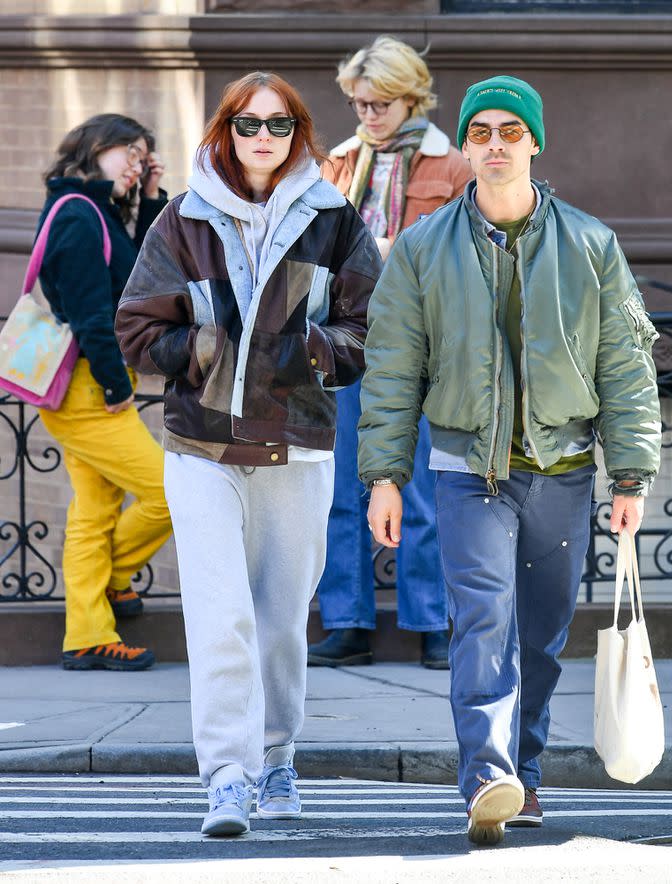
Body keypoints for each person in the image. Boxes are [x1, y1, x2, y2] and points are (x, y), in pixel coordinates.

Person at [358, 75, 662, 845]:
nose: (495, 144)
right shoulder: (423, 248)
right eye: (481, 131)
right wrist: (386, 476)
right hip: (467, 471)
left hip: (561, 469)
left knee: (541, 635)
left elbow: (624, 363)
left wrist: (630, 473)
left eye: (510, 132)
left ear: (534, 143)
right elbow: (393, 369)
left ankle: (524, 774)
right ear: (464, 144)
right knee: (483, 620)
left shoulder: (590, 243)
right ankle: (487, 776)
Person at [115, 71, 381, 837]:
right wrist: (204, 344)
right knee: (220, 616)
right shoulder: (181, 221)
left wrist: (309, 354)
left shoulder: (335, 222)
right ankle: (226, 776)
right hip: (203, 447)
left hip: (297, 450)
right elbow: (134, 327)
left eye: (279, 125)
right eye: (246, 125)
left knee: (281, 621)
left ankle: (277, 756)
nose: (262, 139)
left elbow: (373, 326)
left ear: (299, 134)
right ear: (223, 132)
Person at [308, 35, 472, 670]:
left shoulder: (451, 168)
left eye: (379, 104)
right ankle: (348, 622)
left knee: (424, 487)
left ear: (411, 98)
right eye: (358, 104)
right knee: (346, 484)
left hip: (425, 347)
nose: (367, 116)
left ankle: (432, 622)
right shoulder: (341, 164)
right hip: (350, 344)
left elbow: (469, 262)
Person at [36, 113, 172, 672]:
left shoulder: (97, 212)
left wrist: (153, 196)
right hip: (89, 391)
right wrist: (118, 383)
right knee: (170, 492)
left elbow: (141, 277)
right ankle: (115, 580)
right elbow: (93, 314)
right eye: (128, 153)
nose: (136, 163)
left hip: (93, 387)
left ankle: (87, 633)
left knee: (93, 515)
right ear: (95, 149)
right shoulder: (77, 215)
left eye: (143, 156)